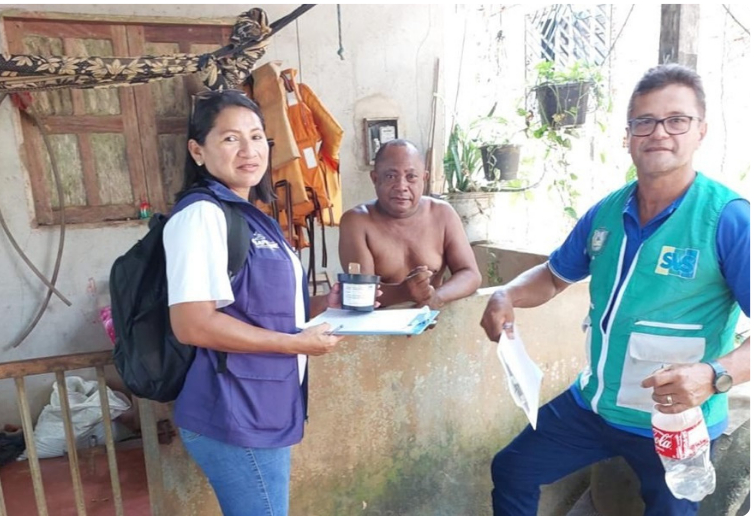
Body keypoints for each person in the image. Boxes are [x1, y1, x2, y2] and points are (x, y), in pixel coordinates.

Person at [480, 63, 751, 517]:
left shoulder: (727, 220)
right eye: (644, 121)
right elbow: (552, 275)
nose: (659, 133)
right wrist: (506, 294)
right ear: (627, 135)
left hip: (674, 421)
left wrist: (713, 375)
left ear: (700, 131)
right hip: (594, 406)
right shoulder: (607, 212)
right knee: (513, 469)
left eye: (676, 120)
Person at [162, 89, 355, 517]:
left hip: (262, 405)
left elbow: (264, 309)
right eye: (230, 139)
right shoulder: (202, 215)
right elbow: (193, 324)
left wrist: (326, 302)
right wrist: (296, 345)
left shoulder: (252, 215)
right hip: (233, 410)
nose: (248, 150)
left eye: (256, 136)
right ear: (198, 150)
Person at [339, 139, 482, 309]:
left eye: (411, 177)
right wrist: (404, 291)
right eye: (391, 176)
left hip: (431, 321)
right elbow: (360, 294)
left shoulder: (442, 214)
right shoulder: (357, 222)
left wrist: (436, 298)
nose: (401, 186)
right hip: (378, 330)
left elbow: (470, 273)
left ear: (424, 178)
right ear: (375, 178)